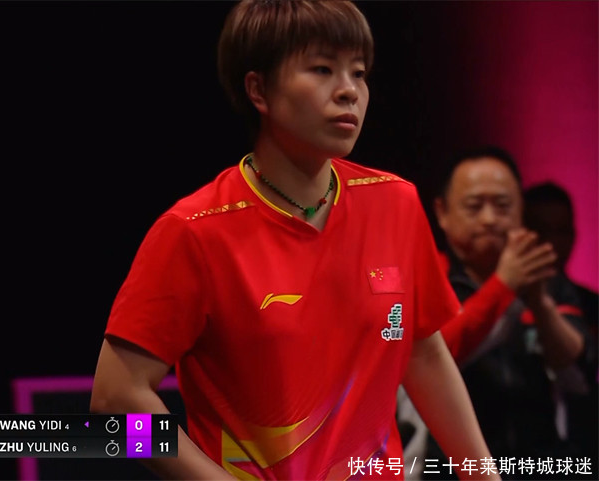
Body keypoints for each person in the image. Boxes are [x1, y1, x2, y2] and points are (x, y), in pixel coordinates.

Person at [90, 2, 499, 480]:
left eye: (359, 73)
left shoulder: (396, 203)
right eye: (322, 69)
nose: (348, 91)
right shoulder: (194, 231)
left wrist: (483, 475)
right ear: (258, 90)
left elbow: (422, 352)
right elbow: (116, 398)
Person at [416, 146, 587, 480]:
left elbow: (580, 375)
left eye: (503, 205)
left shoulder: (547, 278)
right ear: (442, 212)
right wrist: (504, 284)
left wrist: (541, 305)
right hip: (453, 468)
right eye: (474, 206)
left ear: (521, 209)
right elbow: (434, 356)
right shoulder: (425, 275)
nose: (489, 219)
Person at [523, 181, 598, 471]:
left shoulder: (591, 306)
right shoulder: (498, 300)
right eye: (540, 230)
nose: (551, 244)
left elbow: (580, 377)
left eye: (562, 231)